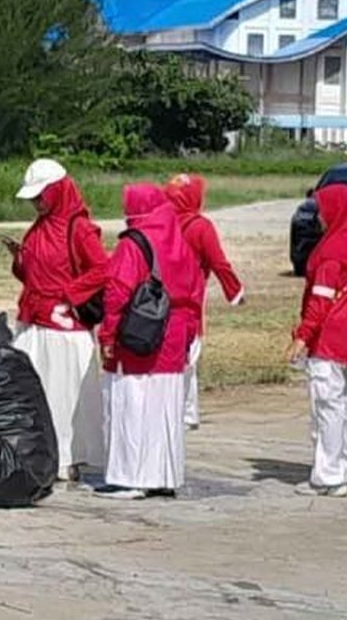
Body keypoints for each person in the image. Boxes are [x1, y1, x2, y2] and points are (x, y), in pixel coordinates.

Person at [96, 184, 199, 501]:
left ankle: (131, 478)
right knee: (165, 408)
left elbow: (117, 292)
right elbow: (195, 289)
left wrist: (107, 335)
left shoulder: (133, 244)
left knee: (132, 405)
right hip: (174, 334)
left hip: (140, 336)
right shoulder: (178, 240)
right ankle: (163, 475)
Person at [9, 159, 107, 482]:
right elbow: (35, 272)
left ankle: (66, 457)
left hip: (63, 329)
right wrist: (20, 261)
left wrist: (69, 292)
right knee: (34, 392)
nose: (36, 204)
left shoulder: (78, 227)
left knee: (63, 398)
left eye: (41, 196)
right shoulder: (40, 227)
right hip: (35, 323)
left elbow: (102, 269)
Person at [286, 184, 347, 498]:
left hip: (330, 340)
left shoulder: (330, 255)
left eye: (323, 211)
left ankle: (329, 476)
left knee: (327, 407)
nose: (320, 219)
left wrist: (302, 337)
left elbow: (320, 304)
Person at [164, 174, 245, 430]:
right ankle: (184, 413)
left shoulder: (162, 223)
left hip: (159, 299)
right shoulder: (201, 227)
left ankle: (187, 411)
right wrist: (235, 292)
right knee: (189, 355)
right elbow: (219, 262)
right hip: (189, 299)